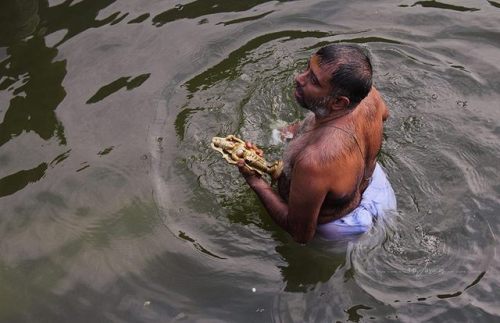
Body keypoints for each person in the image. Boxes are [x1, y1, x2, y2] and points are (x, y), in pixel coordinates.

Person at [237, 44, 396, 243]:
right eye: (307, 68)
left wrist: (255, 181)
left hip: (342, 229)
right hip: (378, 188)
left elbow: (300, 234)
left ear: (339, 103)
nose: (299, 78)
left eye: (313, 80)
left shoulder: (315, 160)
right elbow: (385, 115)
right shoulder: (369, 96)